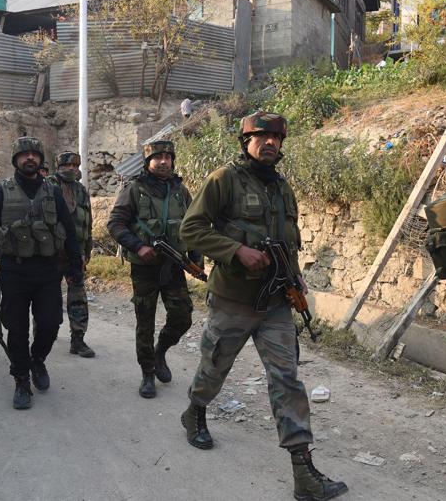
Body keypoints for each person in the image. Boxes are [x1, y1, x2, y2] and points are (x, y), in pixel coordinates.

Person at [179, 111, 348, 501]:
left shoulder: (283, 188)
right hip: (233, 300)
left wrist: (295, 275)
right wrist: (235, 250)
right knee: (214, 367)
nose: (269, 142)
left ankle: (303, 473)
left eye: (276, 137)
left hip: (275, 303)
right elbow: (191, 228)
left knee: (287, 379)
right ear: (246, 142)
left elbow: (287, 241)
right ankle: (195, 411)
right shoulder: (224, 180)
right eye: (261, 136)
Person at [0, 137, 84, 410]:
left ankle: (37, 360)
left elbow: (69, 232)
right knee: (17, 329)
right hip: (14, 271)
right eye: (24, 154)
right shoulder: (1, 192)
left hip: (48, 270)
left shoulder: (53, 192)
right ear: (15, 159)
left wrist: (75, 267)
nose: (29, 158)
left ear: (41, 160)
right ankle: (21, 379)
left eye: (34, 155)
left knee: (50, 324)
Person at [107, 139, 198, 399]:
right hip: (144, 268)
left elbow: (193, 227)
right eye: (157, 157)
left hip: (174, 266)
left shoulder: (181, 191)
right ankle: (148, 373)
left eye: (168, 157)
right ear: (148, 162)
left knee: (183, 316)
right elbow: (115, 224)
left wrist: (195, 257)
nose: (163, 161)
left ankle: (160, 351)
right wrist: (138, 246)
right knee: (144, 321)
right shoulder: (134, 189)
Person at [46, 151, 95, 358]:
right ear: (58, 167)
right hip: (51, 255)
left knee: (78, 298)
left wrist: (86, 251)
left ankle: (78, 339)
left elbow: (88, 223)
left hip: (75, 256)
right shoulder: (48, 187)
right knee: (48, 298)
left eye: (76, 165)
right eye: (68, 165)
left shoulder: (81, 191)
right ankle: (45, 334)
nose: (73, 169)